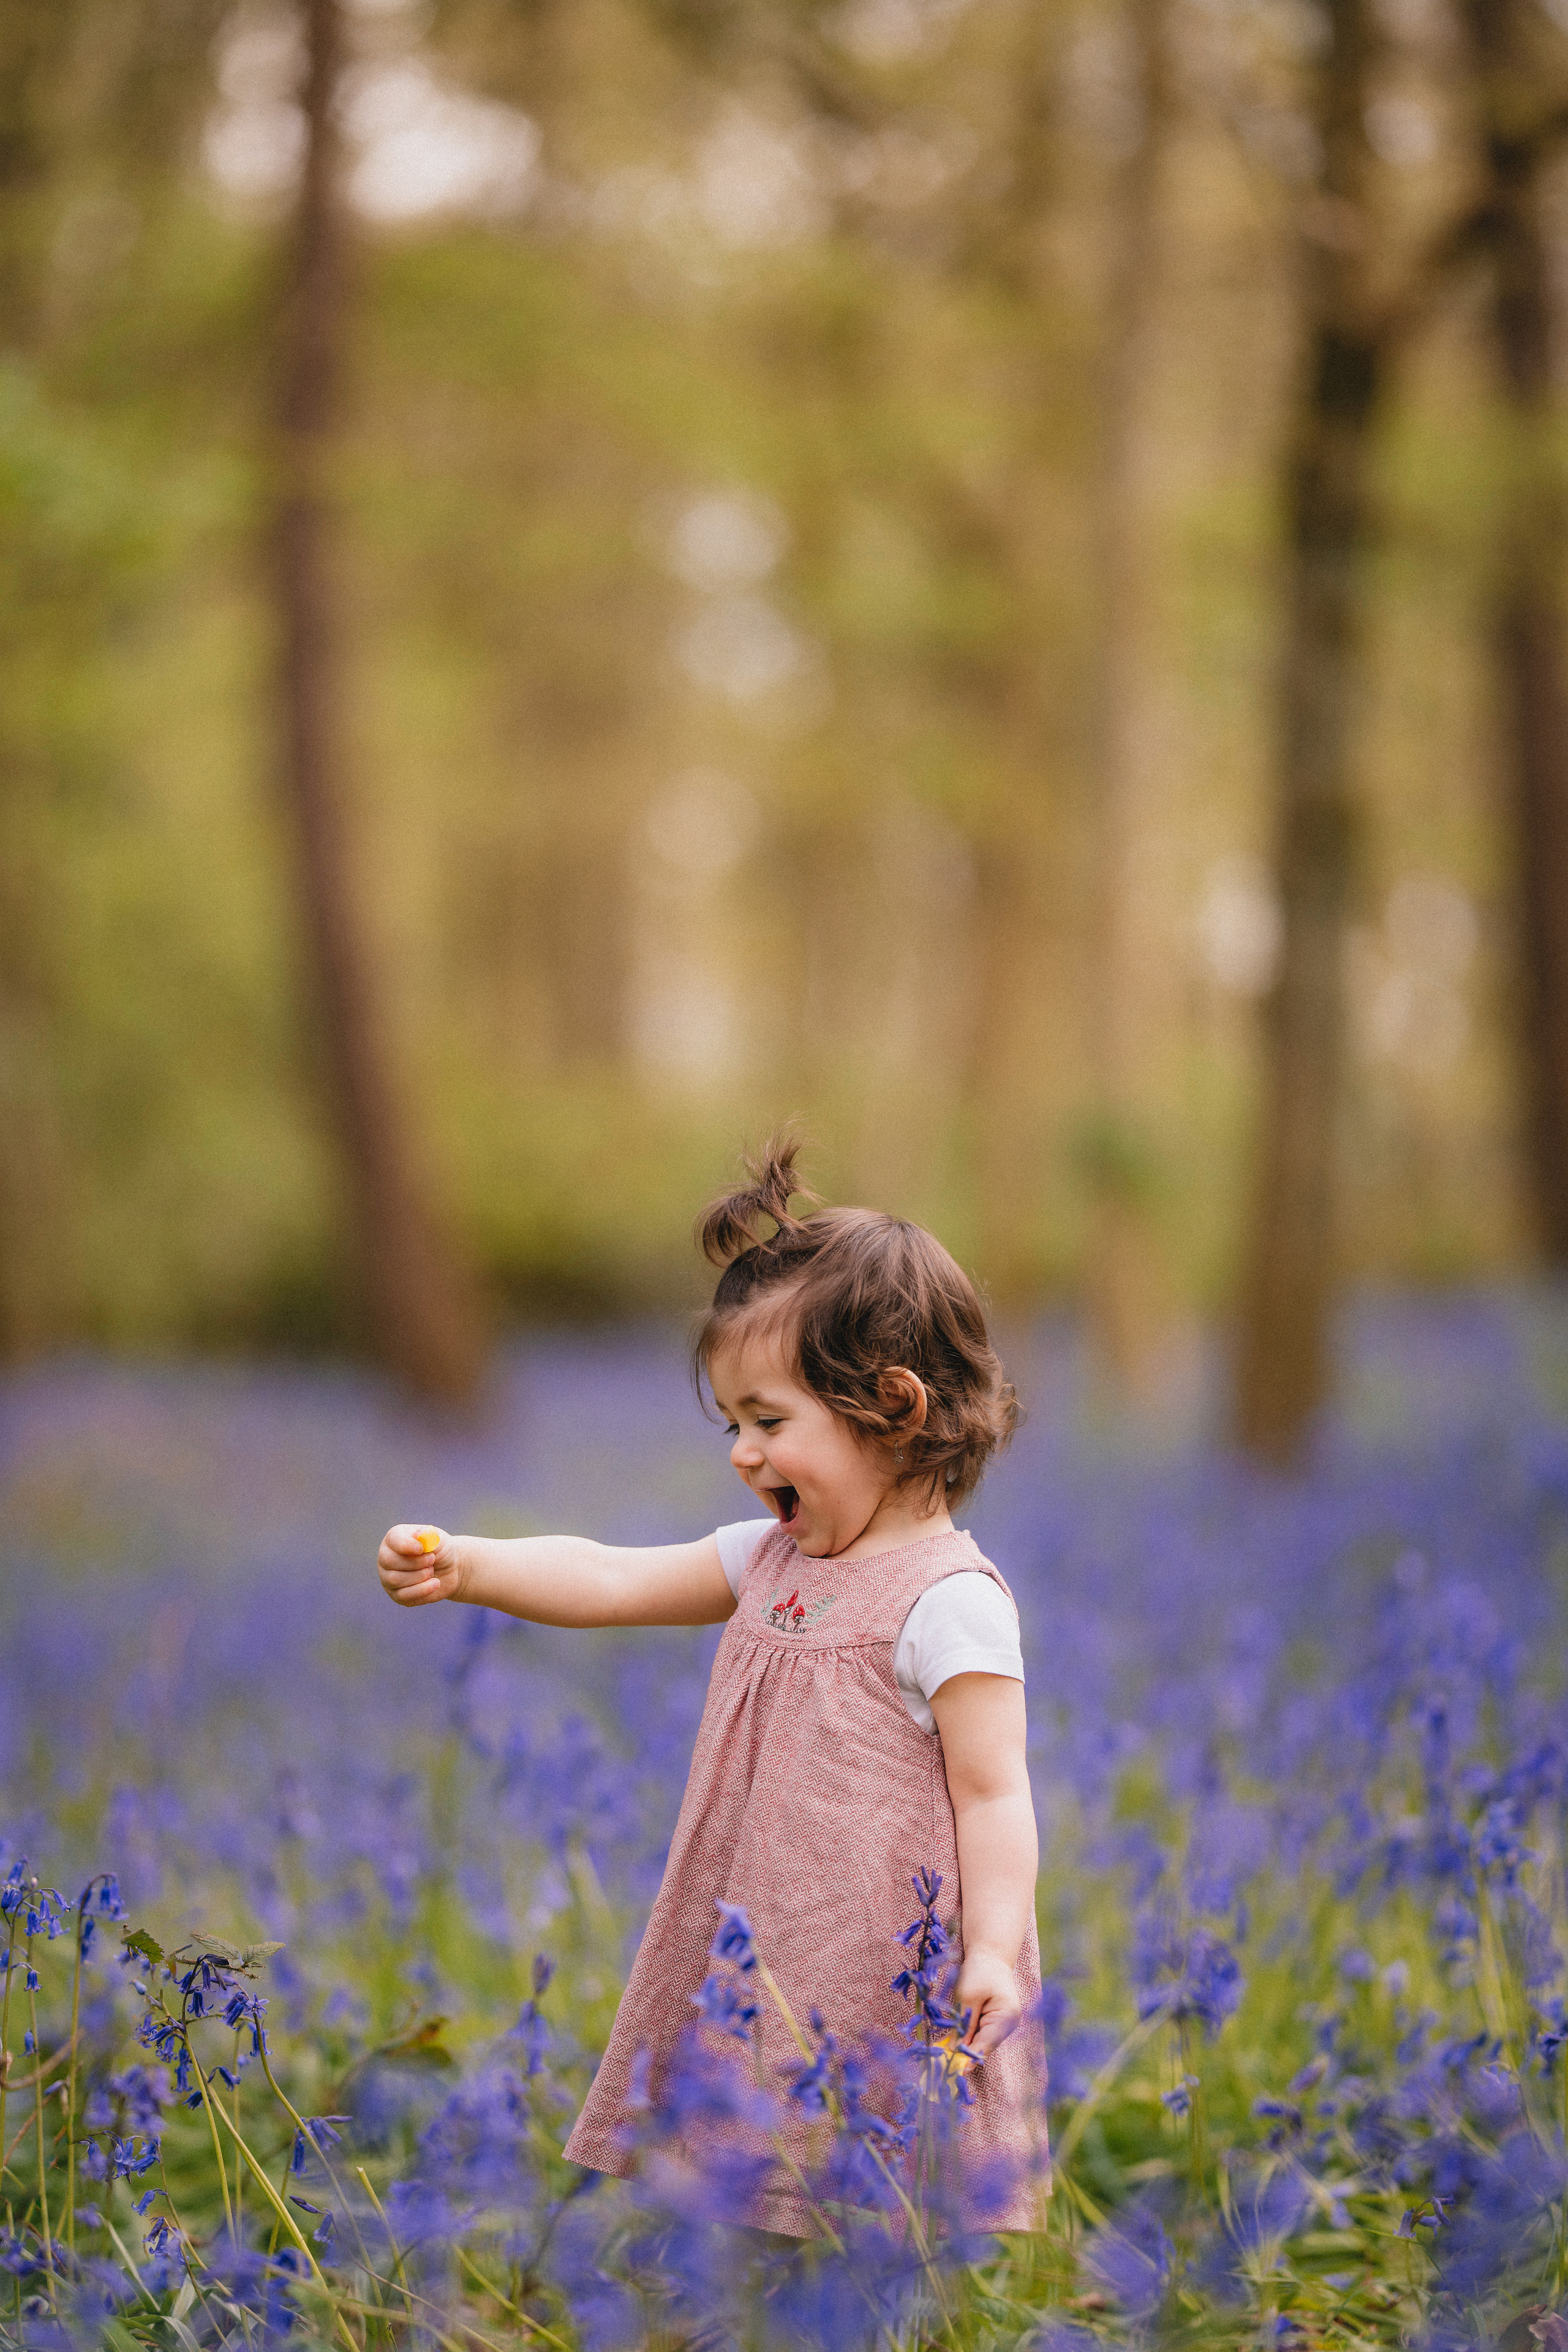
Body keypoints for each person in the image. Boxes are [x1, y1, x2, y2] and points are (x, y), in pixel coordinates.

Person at [377, 1138, 1046, 2233]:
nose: (741, 1452)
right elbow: (609, 1575)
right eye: (732, 1422)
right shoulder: (768, 1562)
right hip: (759, 1945)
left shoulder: (951, 1604)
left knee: (868, 2207)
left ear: (895, 1405)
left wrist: (989, 1950)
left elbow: (994, 1794)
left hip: (880, 1969)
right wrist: (472, 1564)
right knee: (751, 2195)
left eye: (769, 1422)